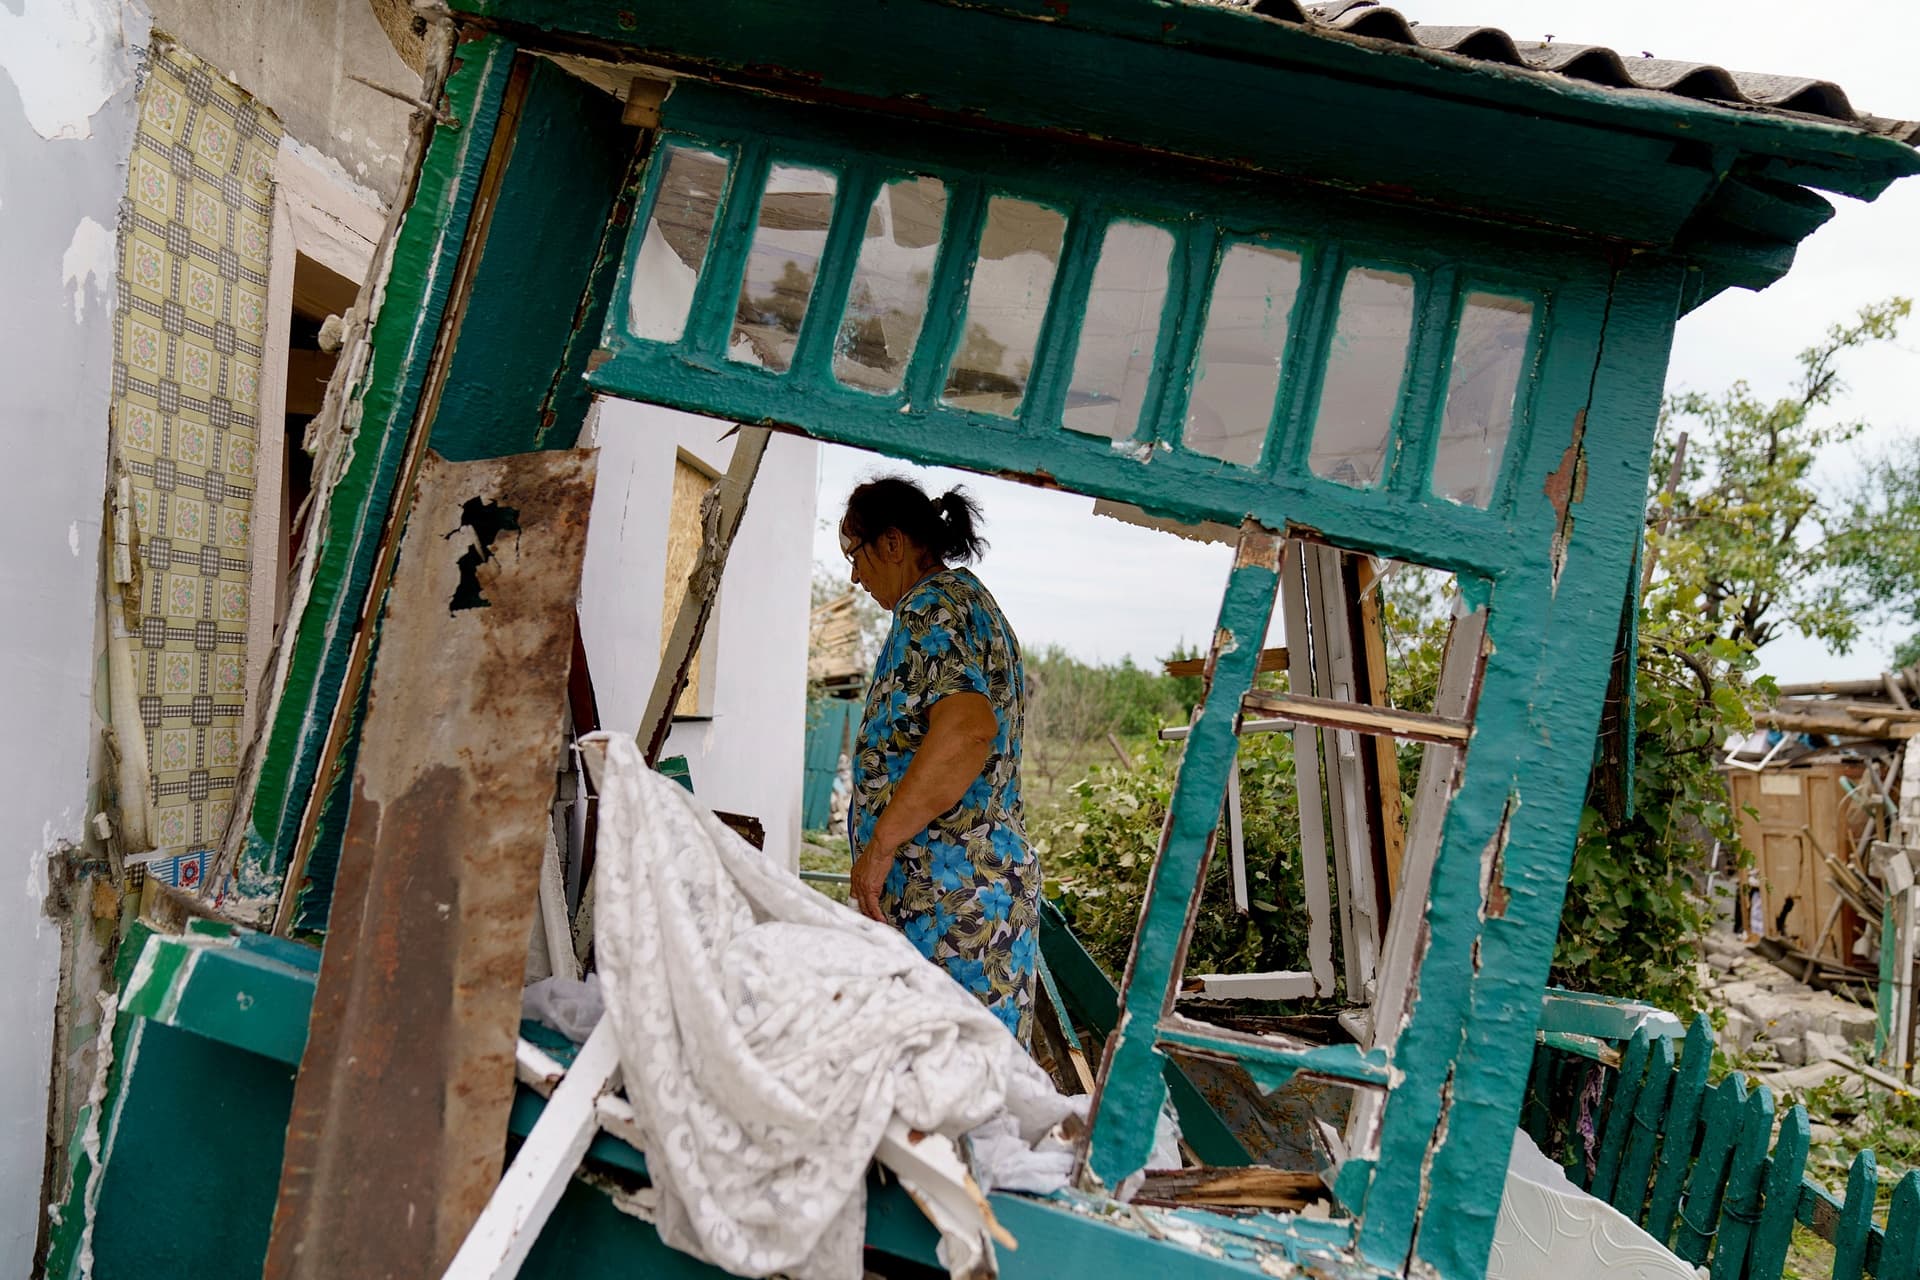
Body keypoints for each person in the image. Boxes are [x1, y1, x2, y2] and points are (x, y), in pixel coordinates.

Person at [840, 476, 1037, 1043]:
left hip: (951, 906)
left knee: (946, 1085)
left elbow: (969, 730)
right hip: (983, 893)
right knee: (980, 1087)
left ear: (894, 543)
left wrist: (880, 848)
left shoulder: (929, 609)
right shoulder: (972, 601)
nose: (855, 573)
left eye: (855, 553)